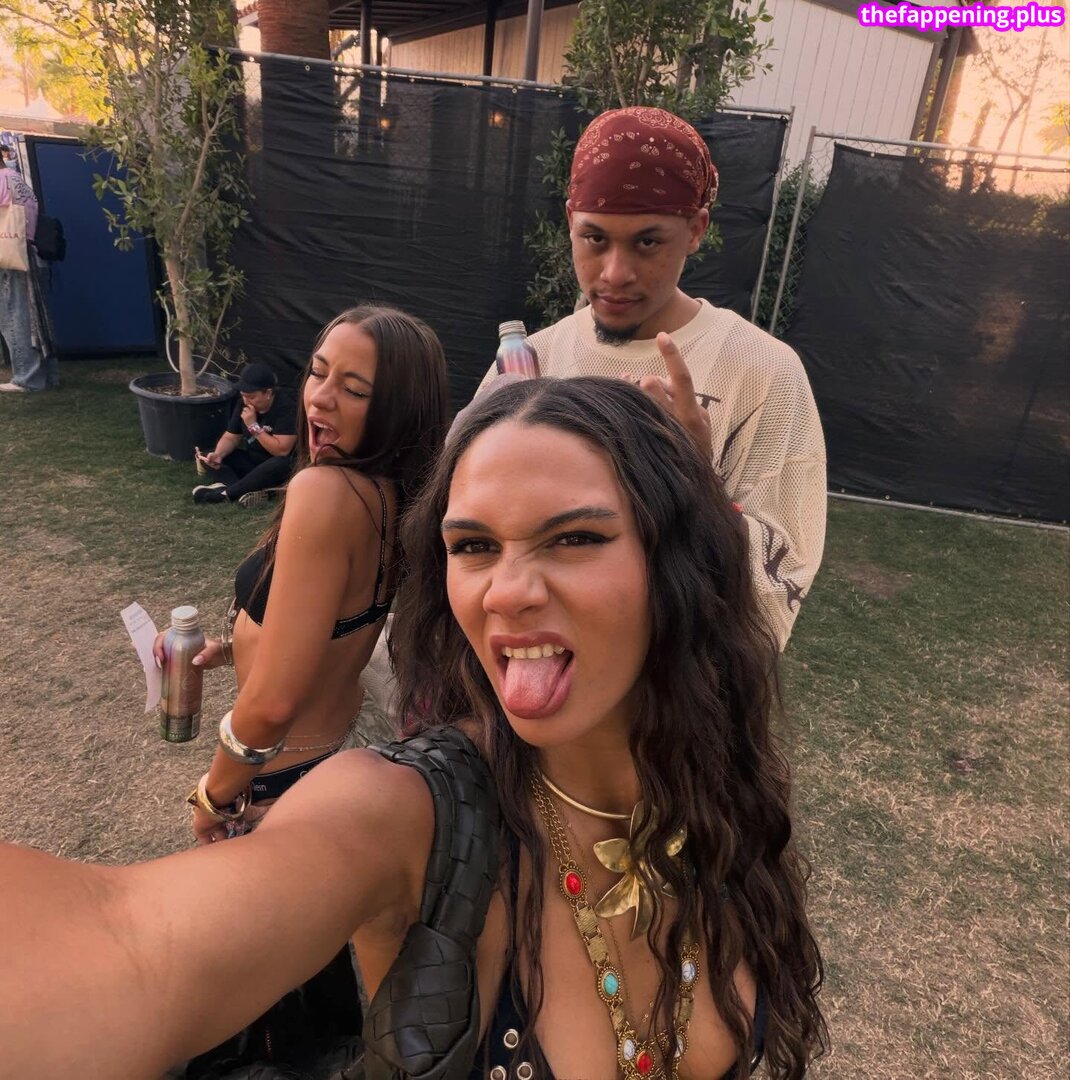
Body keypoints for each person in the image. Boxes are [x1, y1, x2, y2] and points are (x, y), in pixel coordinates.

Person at [1, 377, 826, 1079]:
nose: (506, 592)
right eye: (474, 546)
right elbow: (128, 946)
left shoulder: (724, 784)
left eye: (575, 537)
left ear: (681, 561)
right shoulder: (407, 815)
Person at [163, 304, 448, 1071]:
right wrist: (237, 645)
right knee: (312, 985)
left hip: (275, 777)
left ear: (396, 408)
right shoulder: (392, 496)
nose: (319, 398)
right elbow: (326, 629)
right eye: (319, 374)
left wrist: (214, 794)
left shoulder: (327, 494)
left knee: (252, 1010)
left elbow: (273, 703)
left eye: (354, 388)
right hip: (324, 765)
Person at [477, 106, 826, 651]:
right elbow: (469, 526)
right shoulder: (535, 359)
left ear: (696, 230)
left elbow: (783, 574)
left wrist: (696, 479)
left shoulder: (761, 371)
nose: (615, 273)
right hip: (538, 661)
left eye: (647, 243)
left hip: (676, 679)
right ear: (570, 222)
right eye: (595, 239)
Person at [193, 361, 298, 506]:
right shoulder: (243, 403)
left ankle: (226, 494)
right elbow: (231, 437)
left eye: (252, 397)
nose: (247, 401)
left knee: (282, 463)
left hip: (277, 467)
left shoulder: (287, 408)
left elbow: (281, 451)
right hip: (253, 461)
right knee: (209, 454)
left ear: (268, 393)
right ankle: (249, 489)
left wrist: (253, 427)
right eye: (243, 396)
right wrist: (218, 454)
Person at [0, 133, 56, 393]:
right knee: (37, 318)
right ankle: (48, 375)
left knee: (14, 314)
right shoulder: (17, 180)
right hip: (29, 252)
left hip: (9, 256)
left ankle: (26, 377)